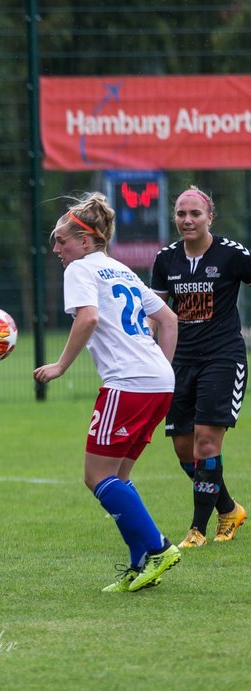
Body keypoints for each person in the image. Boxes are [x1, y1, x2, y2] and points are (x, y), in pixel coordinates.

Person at [34, 192, 181, 592]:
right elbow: (167, 320)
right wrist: (161, 372)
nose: (56, 249)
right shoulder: (121, 270)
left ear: (85, 241)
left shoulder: (80, 270)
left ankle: (158, 548)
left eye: (61, 240)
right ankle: (140, 565)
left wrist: (61, 365)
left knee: (96, 476)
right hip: (158, 383)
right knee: (119, 475)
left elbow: (89, 317)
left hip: (128, 384)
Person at [150, 186, 251, 548]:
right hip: (179, 362)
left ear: (210, 217)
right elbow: (156, 316)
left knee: (206, 444)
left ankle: (197, 529)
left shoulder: (231, 254)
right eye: (181, 214)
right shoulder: (166, 260)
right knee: (184, 449)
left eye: (195, 213)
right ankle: (229, 508)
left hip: (222, 358)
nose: (187, 220)